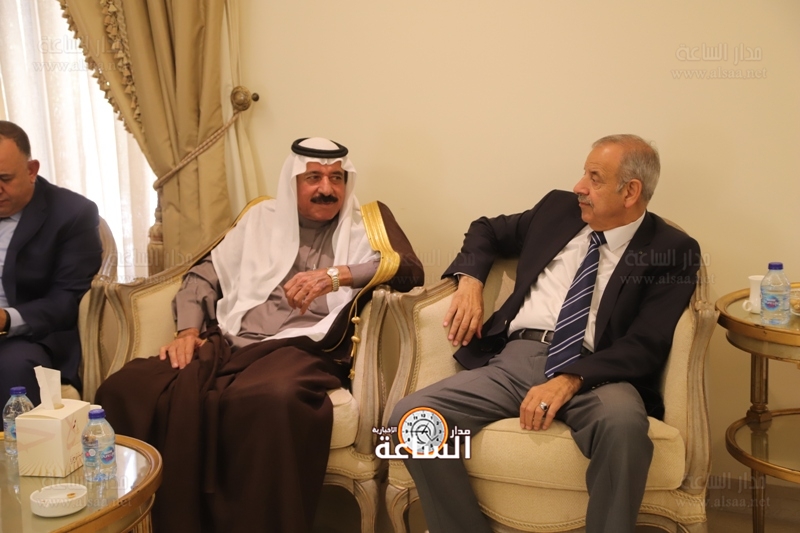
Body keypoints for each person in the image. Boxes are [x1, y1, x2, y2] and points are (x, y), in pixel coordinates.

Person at [96, 137, 424, 533]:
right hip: (232, 342)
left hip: (306, 348)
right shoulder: (258, 221)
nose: (327, 188)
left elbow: (409, 270)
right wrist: (188, 330)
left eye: (336, 178)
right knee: (125, 388)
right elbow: (203, 275)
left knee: (269, 398)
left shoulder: (365, 223)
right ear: (292, 182)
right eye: (314, 177)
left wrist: (336, 276)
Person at [389, 134, 701, 533]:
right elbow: (486, 229)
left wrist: (571, 379)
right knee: (410, 417)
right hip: (515, 361)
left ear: (631, 192)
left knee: (624, 429)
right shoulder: (558, 209)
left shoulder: (672, 250)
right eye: (583, 173)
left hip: (599, 373)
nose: (579, 187)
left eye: (594, 178)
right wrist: (470, 281)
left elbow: (647, 343)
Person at [0, 120, 102, 407]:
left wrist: (6, 319)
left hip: (25, 337)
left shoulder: (72, 214)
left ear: (31, 170)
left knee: (14, 370)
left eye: (4, 178)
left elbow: (67, 299)